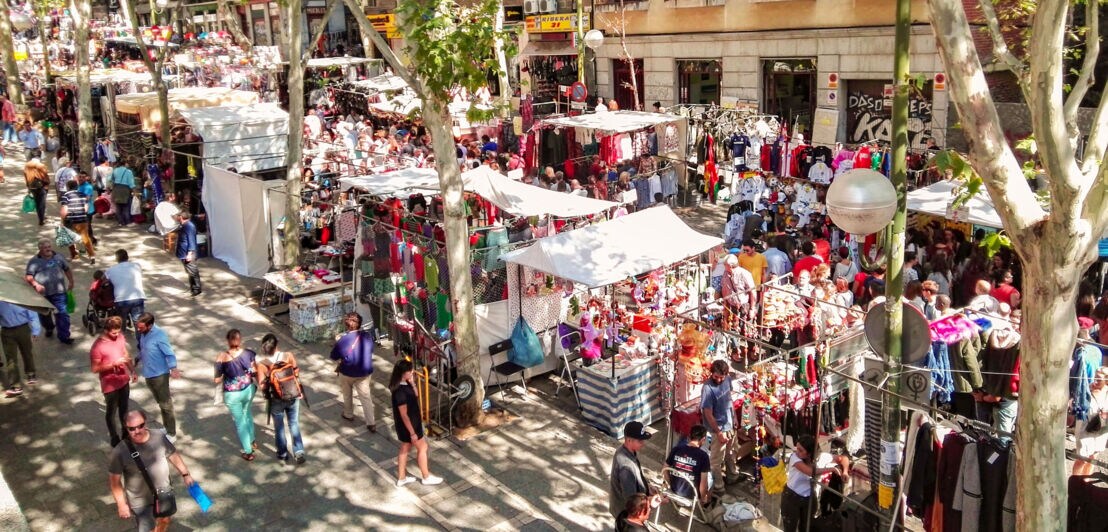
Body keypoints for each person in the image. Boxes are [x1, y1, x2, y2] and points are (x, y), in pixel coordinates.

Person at [108, 410, 196, 532]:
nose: (137, 431)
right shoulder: (119, 451)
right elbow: (115, 482)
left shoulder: (158, 436)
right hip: (140, 500)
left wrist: (186, 474)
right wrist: (121, 504)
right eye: (132, 428)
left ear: (146, 423)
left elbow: (173, 454)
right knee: (148, 528)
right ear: (125, 428)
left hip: (164, 491)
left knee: (165, 520)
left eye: (140, 426)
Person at [390, 358, 443, 487]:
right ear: (403, 373)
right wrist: (412, 433)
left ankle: (402, 478)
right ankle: (426, 476)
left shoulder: (404, 384)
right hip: (410, 425)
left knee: (405, 448)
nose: (412, 372)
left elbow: (416, 395)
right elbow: (404, 415)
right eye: (410, 371)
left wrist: (413, 383)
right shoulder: (400, 392)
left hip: (409, 424)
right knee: (423, 447)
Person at [258, 333, 305, 464]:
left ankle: (283, 453)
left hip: (276, 399)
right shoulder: (288, 356)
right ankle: (299, 451)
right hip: (293, 395)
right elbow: (296, 373)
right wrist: (299, 390)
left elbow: (262, 385)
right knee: (293, 423)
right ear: (277, 344)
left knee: (279, 427)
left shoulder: (262, 364)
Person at [90, 316, 136, 447]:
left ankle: (126, 434)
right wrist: (113, 364)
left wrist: (132, 370)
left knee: (124, 410)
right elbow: (94, 368)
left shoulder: (120, 337)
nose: (116, 335)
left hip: (123, 380)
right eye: (113, 333)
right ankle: (114, 437)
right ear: (106, 330)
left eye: (118, 332)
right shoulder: (97, 347)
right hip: (109, 385)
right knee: (111, 412)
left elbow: (125, 354)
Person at [214, 329, 258, 461]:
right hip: (248, 389)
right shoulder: (249, 353)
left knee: (240, 422)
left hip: (232, 394)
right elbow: (254, 371)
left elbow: (216, 380)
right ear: (240, 339)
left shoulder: (221, 357)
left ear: (227, 341)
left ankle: (248, 452)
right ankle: (252, 441)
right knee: (247, 413)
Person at [135, 313, 180, 440]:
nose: (138, 329)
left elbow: (169, 354)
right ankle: (166, 427)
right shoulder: (143, 334)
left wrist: (173, 368)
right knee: (160, 403)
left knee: (166, 405)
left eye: (141, 327)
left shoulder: (159, 335)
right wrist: (137, 358)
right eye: (138, 327)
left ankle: (171, 433)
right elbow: (144, 349)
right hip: (148, 373)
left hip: (159, 375)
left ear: (149, 325)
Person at [330, 312, 377, 432]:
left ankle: (348, 414)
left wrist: (338, 342)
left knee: (347, 394)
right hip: (364, 372)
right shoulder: (367, 336)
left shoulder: (343, 339)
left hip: (347, 372)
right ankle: (371, 422)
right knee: (366, 397)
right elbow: (371, 350)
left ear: (346, 325)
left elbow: (334, 356)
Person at [25, 240, 74, 344]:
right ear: (40, 249)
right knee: (44, 315)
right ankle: (49, 328)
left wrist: (71, 281)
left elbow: (67, 269)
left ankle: (64, 336)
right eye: (45, 247)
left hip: (59, 292)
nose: (48, 249)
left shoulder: (58, 257)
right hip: (42, 295)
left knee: (63, 314)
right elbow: (28, 276)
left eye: (49, 246)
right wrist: (36, 284)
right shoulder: (34, 261)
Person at [781, 435, 833, 532]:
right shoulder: (794, 458)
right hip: (792, 496)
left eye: (801, 450)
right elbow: (810, 472)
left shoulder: (816, 459)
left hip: (808, 497)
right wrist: (832, 469)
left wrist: (844, 471)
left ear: (809, 453)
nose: (797, 451)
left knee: (806, 527)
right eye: (797, 448)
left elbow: (842, 458)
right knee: (790, 527)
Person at [701, 360, 737, 491]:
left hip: (729, 424)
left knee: (731, 453)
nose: (719, 380)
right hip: (718, 429)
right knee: (715, 460)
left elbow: (729, 399)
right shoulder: (707, 388)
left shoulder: (727, 380)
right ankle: (718, 486)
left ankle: (732, 476)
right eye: (716, 377)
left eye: (722, 377)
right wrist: (719, 432)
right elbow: (708, 413)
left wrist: (734, 417)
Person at [609, 420, 655, 519]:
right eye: (640, 441)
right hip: (626, 514)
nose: (643, 443)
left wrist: (647, 487)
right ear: (629, 440)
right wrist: (651, 500)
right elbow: (631, 499)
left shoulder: (626, 451)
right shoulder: (626, 467)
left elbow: (636, 476)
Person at [0, 300, 41, 398]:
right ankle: (15, 386)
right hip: (6, 331)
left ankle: (31, 374)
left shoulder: (21, 299)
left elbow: (33, 315)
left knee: (27, 352)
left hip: (23, 329)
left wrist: (35, 330)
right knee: (10, 358)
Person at [666, 424, 712, 505]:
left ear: (689, 436)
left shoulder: (676, 449)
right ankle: (706, 503)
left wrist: (670, 485)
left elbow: (665, 469)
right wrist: (702, 498)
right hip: (692, 495)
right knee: (712, 478)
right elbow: (703, 483)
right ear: (703, 439)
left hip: (674, 490)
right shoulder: (703, 456)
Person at [106, 249, 145, 327]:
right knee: (138, 322)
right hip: (138, 297)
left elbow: (104, 280)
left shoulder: (110, 270)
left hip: (121, 300)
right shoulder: (137, 265)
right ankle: (140, 334)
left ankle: (122, 332)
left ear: (117, 259)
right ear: (127, 257)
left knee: (121, 321)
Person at [60, 180, 96, 263]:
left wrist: (62, 220)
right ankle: (92, 256)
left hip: (70, 220)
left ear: (68, 187)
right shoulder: (82, 195)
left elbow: (65, 209)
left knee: (70, 238)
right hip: (82, 219)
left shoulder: (66, 196)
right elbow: (86, 208)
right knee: (86, 238)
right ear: (76, 186)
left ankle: (74, 255)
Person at [175, 212, 201, 297]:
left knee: (193, 271)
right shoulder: (183, 225)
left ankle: (197, 289)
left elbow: (191, 240)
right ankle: (192, 288)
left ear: (181, 217)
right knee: (189, 271)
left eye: (178, 216)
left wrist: (189, 253)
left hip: (188, 253)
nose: (176, 218)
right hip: (183, 252)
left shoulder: (189, 226)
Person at [24, 156, 50, 226]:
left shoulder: (27, 165)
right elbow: (45, 176)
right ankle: (41, 219)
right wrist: (47, 184)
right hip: (41, 187)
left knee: (37, 202)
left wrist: (28, 187)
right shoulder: (41, 165)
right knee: (42, 203)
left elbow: (25, 176)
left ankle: (40, 217)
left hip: (32, 186)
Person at [110, 160, 136, 226]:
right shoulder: (128, 171)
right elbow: (131, 183)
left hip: (116, 189)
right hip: (125, 189)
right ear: (125, 164)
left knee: (118, 206)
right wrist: (134, 191)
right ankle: (128, 222)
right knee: (126, 206)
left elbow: (111, 180)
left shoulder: (115, 170)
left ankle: (120, 222)